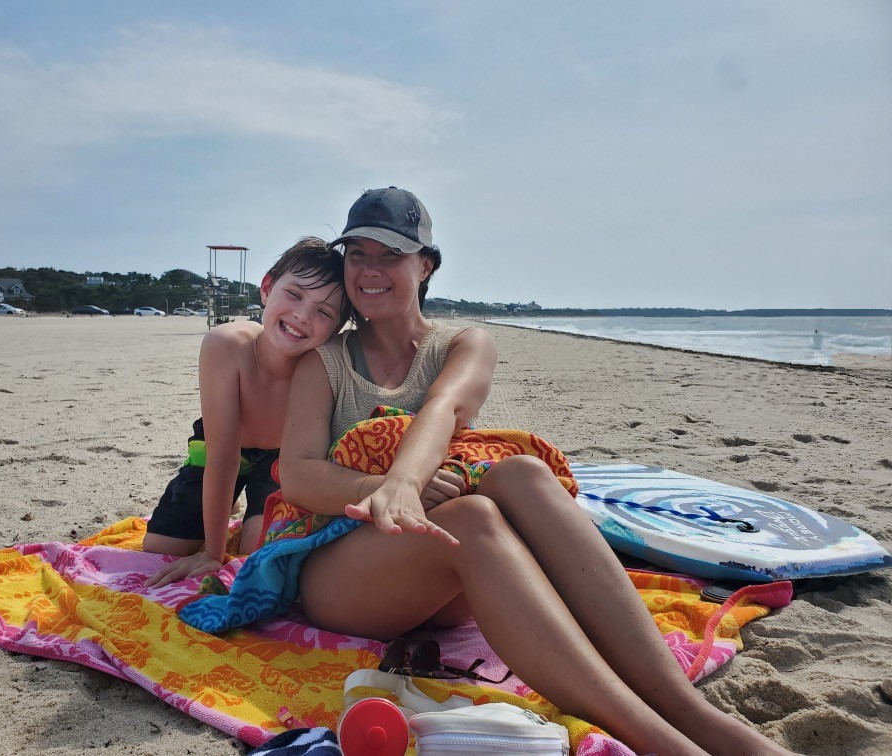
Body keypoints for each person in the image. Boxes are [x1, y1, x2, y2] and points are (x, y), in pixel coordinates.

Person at [277, 188, 793, 756]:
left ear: (425, 266)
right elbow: (298, 476)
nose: (370, 271)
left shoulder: (462, 344)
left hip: (436, 570)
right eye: (358, 255)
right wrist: (392, 487)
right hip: (342, 571)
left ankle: (688, 710)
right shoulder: (325, 361)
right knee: (473, 516)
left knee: (519, 472)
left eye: (390, 256)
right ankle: (661, 741)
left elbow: (443, 409)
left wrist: (410, 484)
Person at [143, 237, 350, 588]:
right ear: (267, 287)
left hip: (280, 459)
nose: (302, 316)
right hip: (221, 447)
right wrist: (212, 551)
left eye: (324, 311)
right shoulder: (227, 344)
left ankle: (247, 509)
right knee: (160, 548)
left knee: (258, 550)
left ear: (337, 328)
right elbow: (222, 457)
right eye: (295, 294)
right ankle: (227, 509)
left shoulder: (321, 367)